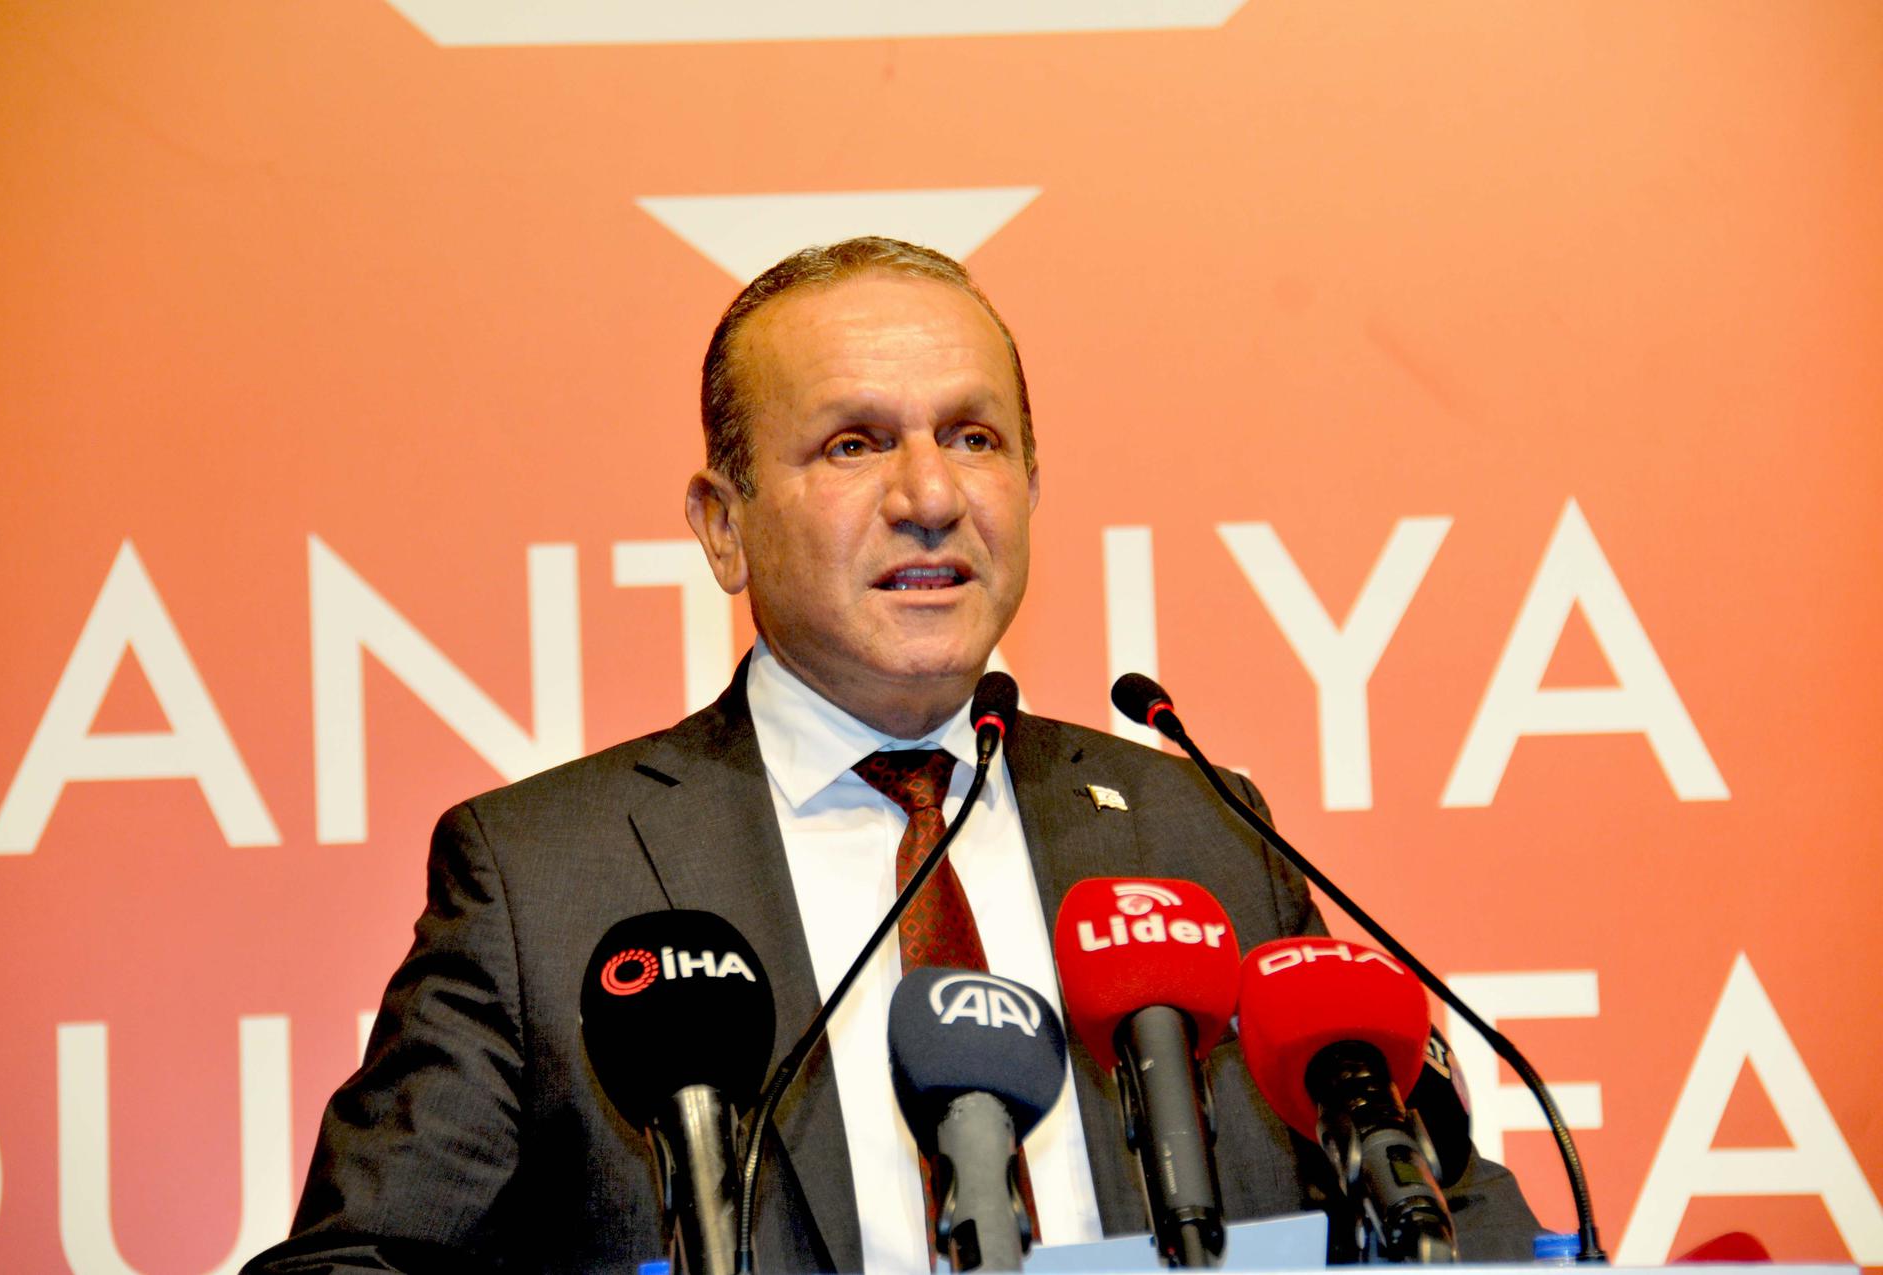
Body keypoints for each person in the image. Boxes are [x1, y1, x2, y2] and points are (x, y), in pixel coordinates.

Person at [248, 238, 1538, 1273]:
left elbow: (1447, 1214)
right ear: (723, 526)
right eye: (854, 444)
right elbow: (355, 1263)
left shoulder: (1195, 829)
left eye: (975, 438)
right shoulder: (546, 879)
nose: (931, 497)